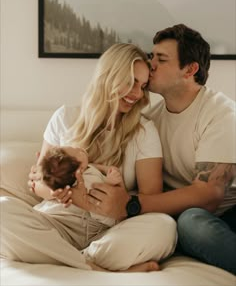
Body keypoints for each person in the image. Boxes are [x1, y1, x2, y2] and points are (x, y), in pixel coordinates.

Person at [72, 25, 236, 274]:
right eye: (152, 56)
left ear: (190, 69)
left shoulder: (221, 114)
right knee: (179, 224)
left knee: (191, 222)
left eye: (161, 59)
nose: (151, 65)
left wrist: (130, 204)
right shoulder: (149, 121)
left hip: (224, 213)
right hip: (177, 216)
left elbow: (209, 196)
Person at [1, 43, 177, 272]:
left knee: (164, 227)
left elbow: (151, 197)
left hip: (110, 230)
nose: (137, 94)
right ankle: (93, 268)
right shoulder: (65, 117)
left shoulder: (144, 131)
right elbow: (39, 182)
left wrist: (121, 200)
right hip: (57, 221)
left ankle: (60, 256)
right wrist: (61, 192)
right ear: (109, 76)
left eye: (143, 86)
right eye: (131, 81)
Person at [36, 145, 121, 227]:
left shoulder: (83, 171)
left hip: (45, 211)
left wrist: (104, 169)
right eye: (77, 150)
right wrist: (109, 182)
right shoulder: (88, 183)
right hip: (67, 219)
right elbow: (103, 210)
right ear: (79, 170)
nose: (79, 148)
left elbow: (91, 167)